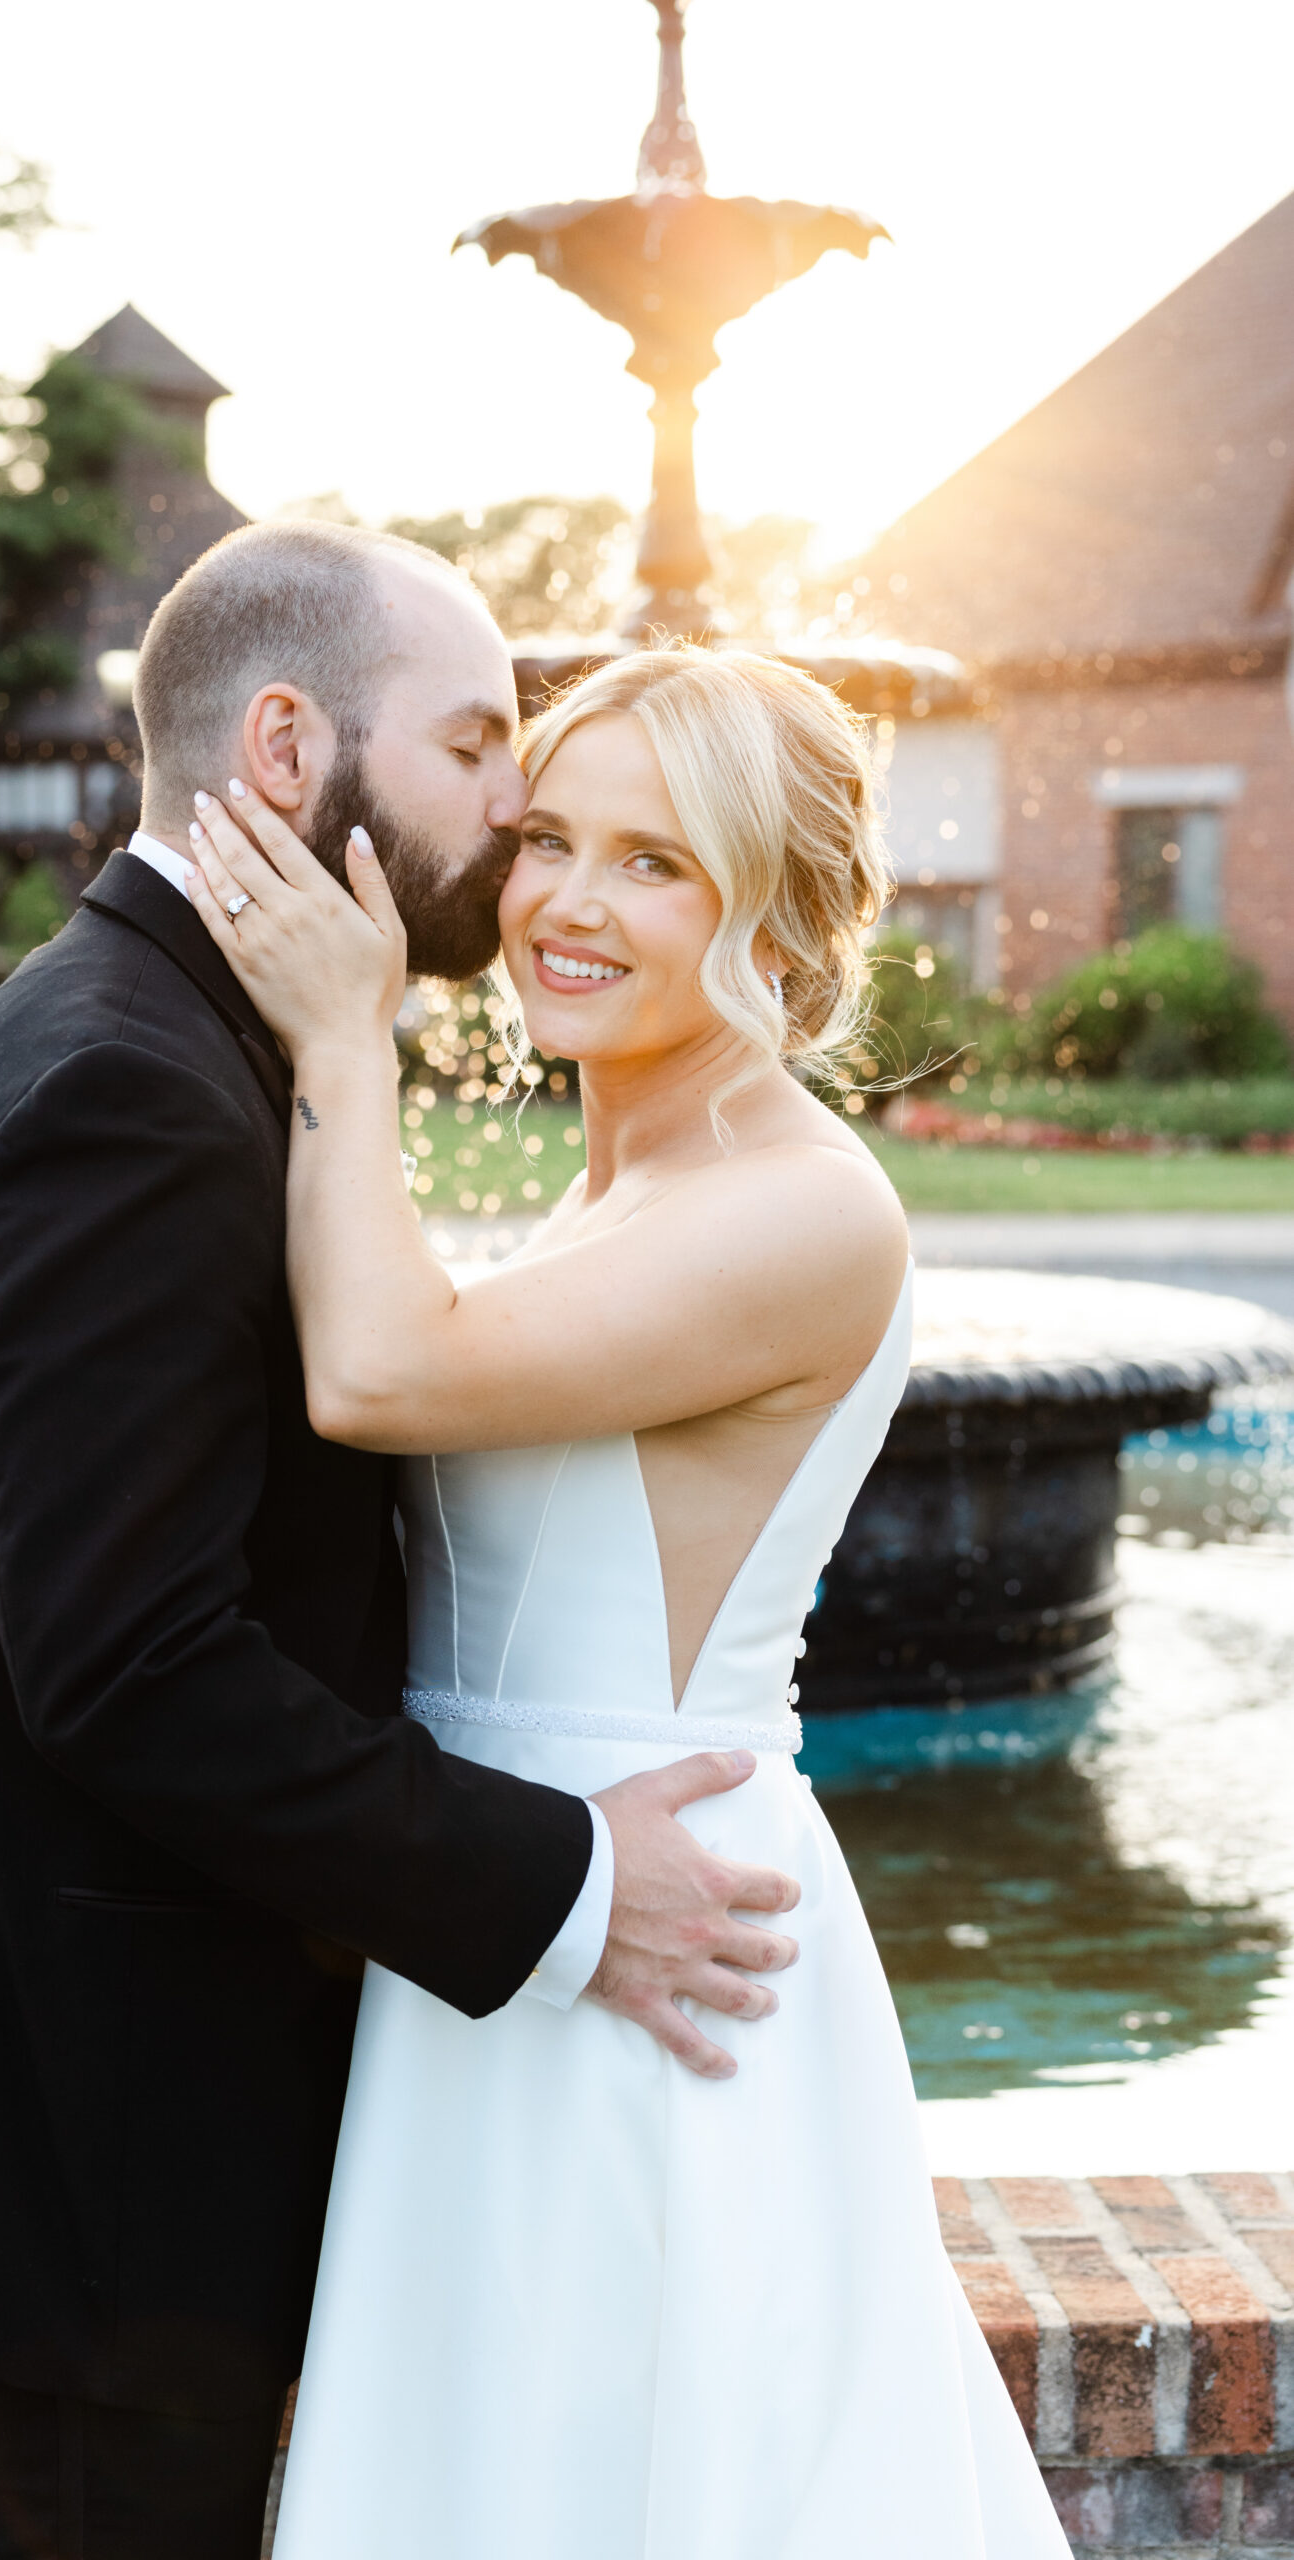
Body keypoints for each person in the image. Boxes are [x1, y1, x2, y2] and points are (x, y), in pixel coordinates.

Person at [0, 524, 807, 2560]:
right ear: (288, 738)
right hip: (104, 2140)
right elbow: (131, 1663)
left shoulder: (167, 1044)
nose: (514, 806)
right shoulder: (126, 1092)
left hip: (124, 2123)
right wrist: (567, 1879)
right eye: (479, 740)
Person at [185, 642, 1072, 2559]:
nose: (571, 905)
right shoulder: (626, 1187)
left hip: (654, 1951)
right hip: (514, 1909)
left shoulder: (808, 1210)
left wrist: (344, 1043)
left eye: (657, 863)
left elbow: (383, 1378)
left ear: (780, 915)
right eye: (552, 841)